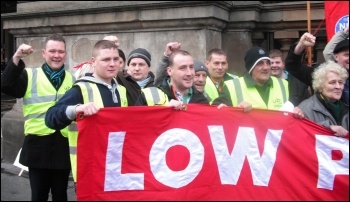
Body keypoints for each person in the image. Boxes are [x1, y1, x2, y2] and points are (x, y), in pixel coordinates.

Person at [1, 34, 75, 201]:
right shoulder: (30, 75)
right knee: (39, 196)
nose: (57, 55)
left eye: (61, 51)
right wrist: (17, 57)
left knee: (61, 195)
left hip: (62, 146)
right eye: (52, 51)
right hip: (37, 146)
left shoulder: (72, 79)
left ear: (65, 53)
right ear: (43, 53)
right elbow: (5, 85)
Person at [45, 40, 128, 188]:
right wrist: (76, 109)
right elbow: (50, 118)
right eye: (106, 59)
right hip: (89, 170)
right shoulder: (81, 89)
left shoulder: (121, 89)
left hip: (116, 168)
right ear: (93, 62)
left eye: (116, 59)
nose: (112, 64)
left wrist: (168, 108)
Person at [212, 46, 289, 110]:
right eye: (260, 63)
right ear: (251, 68)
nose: (266, 67)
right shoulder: (232, 86)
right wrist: (234, 110)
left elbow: (294, 109)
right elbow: (213, 111)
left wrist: (297, 110)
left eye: (268, 63)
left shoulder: (284, 84)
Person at [285, 32, 349, 105]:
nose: (338, 86)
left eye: (340, 82)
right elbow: (292, 66)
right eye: (347, 55)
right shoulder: (322, 73)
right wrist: (301, 45)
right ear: (336, 57)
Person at [298, 60, 348, 137]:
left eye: (340, 82)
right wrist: (327, 128)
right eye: (332, 82)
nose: (338, 87)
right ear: (320, 86)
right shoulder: (305, 108)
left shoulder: (346, 109)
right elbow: (301, 135)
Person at [142, 50, 209, 105]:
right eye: (182, 68)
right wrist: (165, 111)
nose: (189, 73)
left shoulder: (202, 101)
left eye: (191, 67)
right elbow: (137, 120)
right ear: (169, 71)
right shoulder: (150, 95)